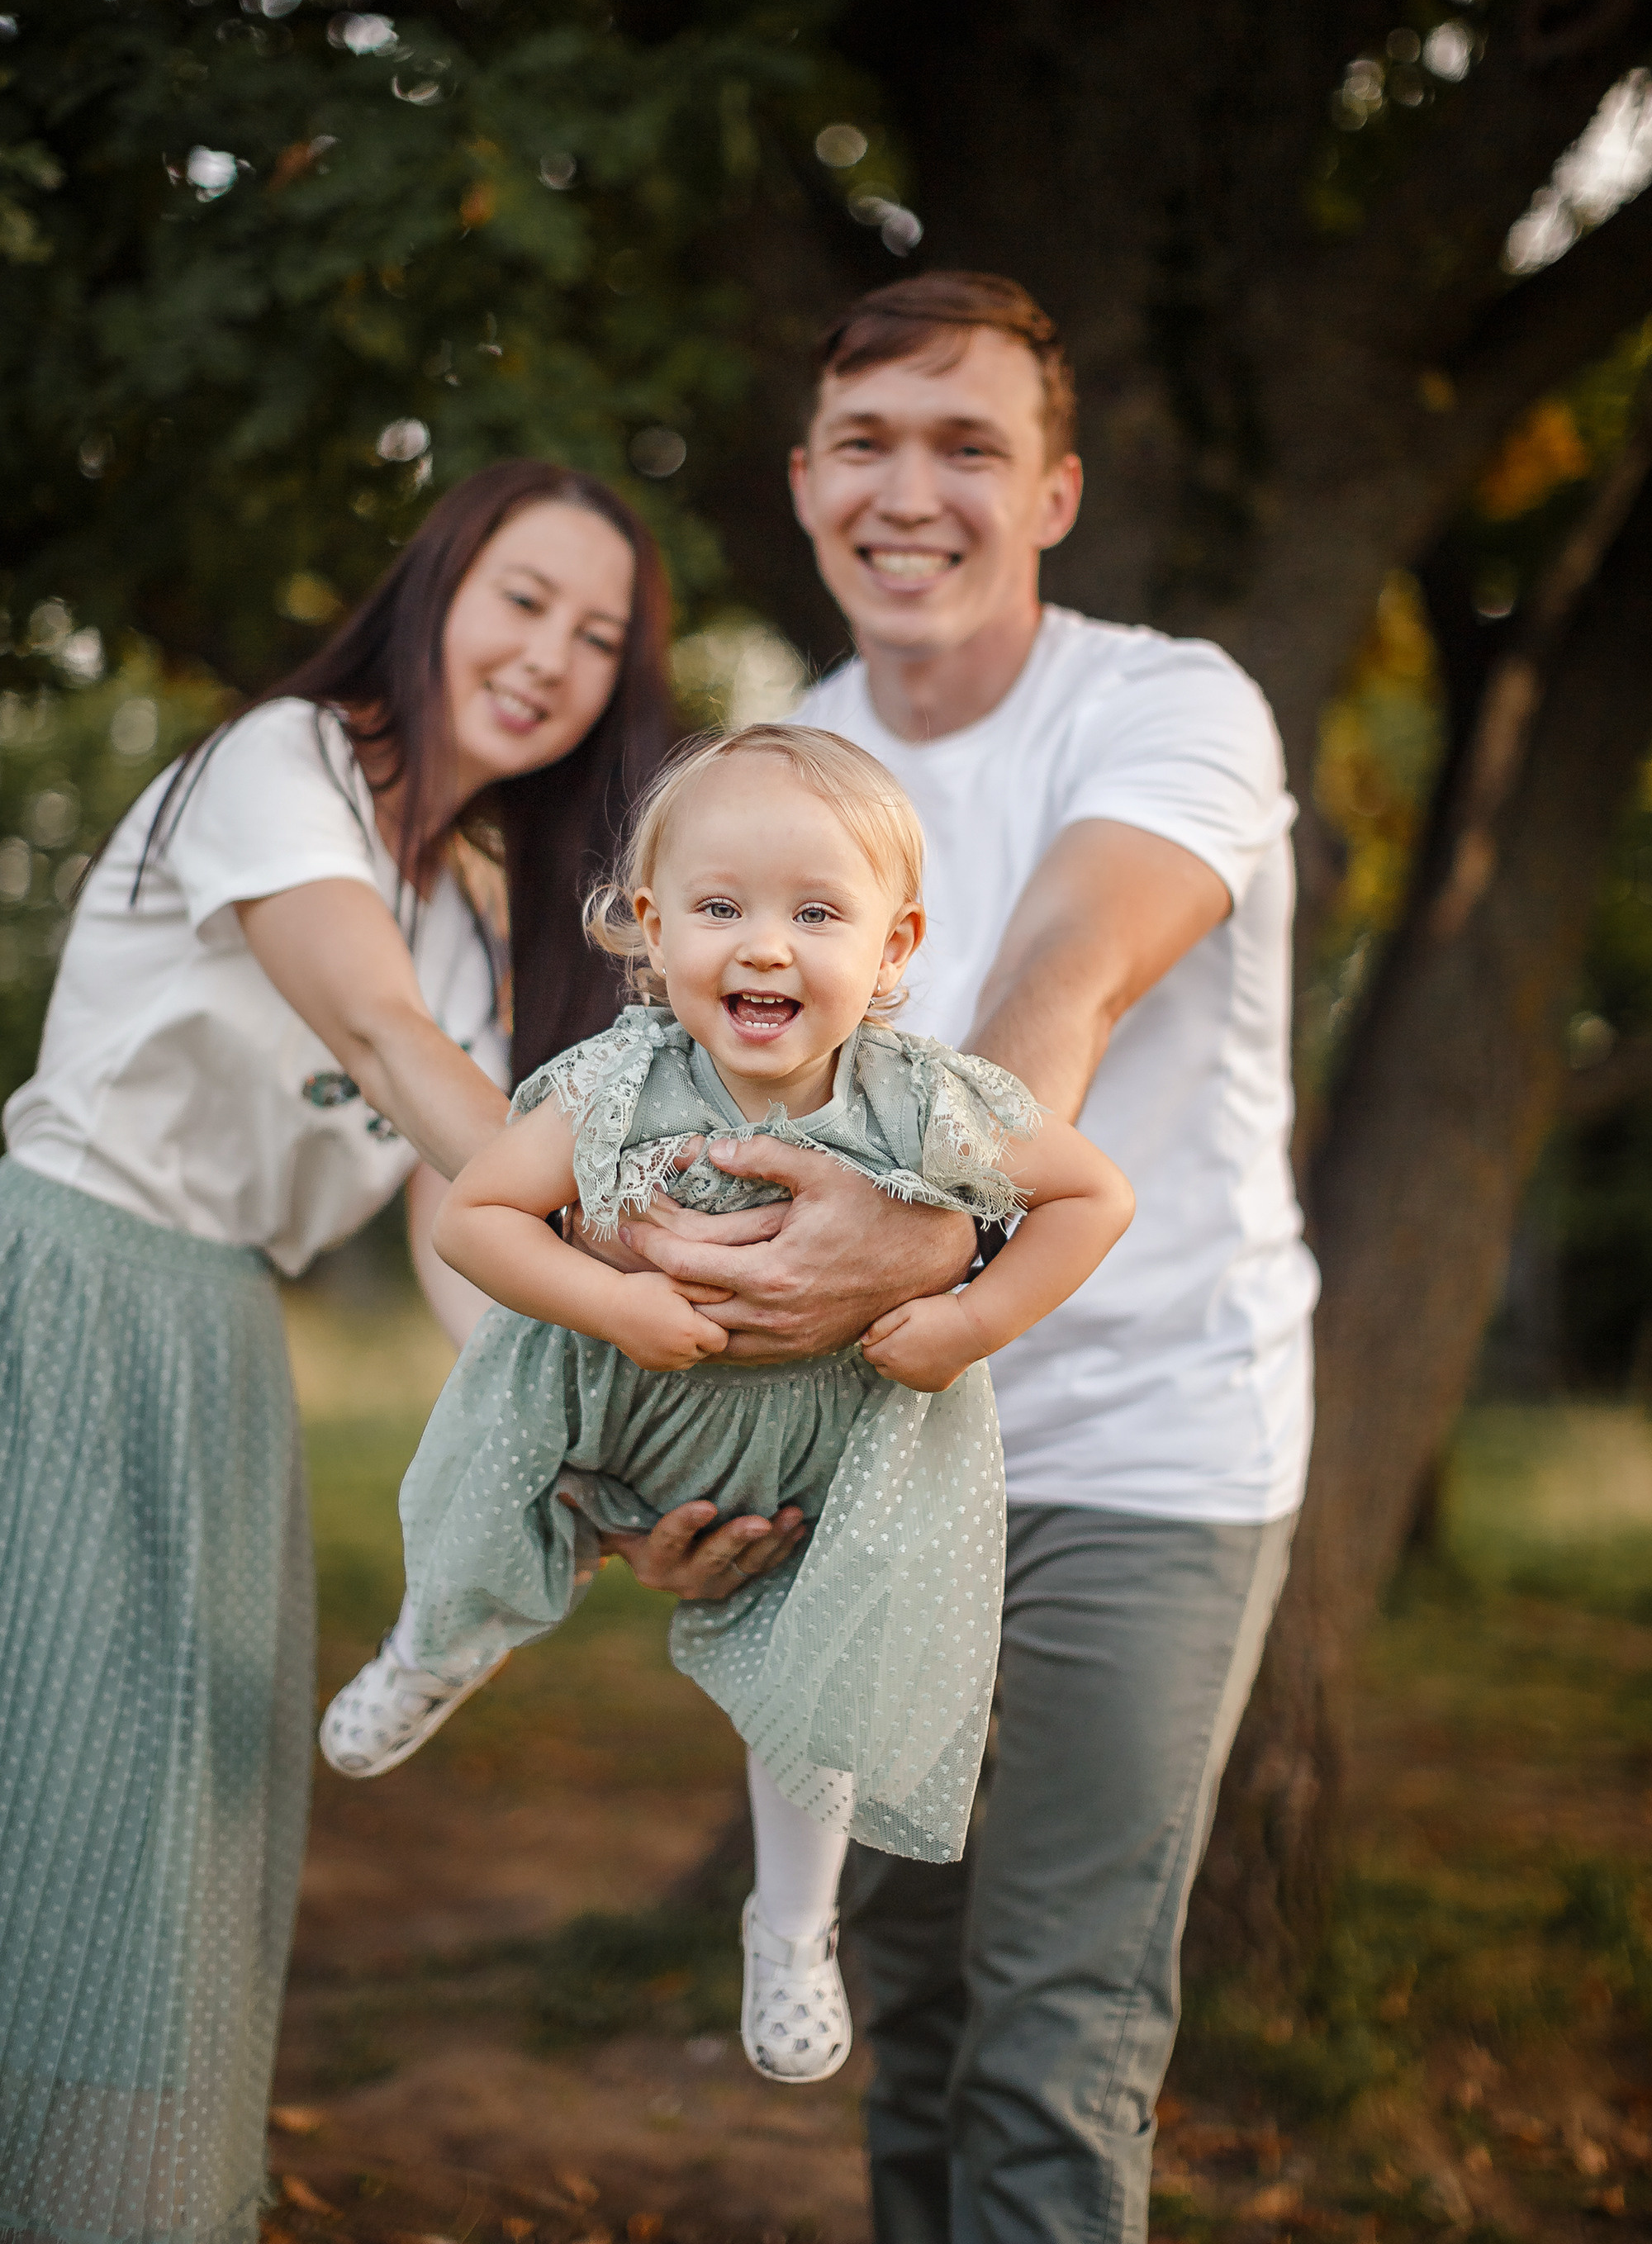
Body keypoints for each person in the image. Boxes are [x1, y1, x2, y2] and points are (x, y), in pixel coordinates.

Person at [597, 274, 1319, 2244]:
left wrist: (930, 1226)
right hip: (871, 1462)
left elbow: (1066, 971)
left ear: (1054, 495)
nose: (909, 493)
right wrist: (651, 1485)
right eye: (866, 444)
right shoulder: (777, 774)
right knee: (902, 2003)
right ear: (803, 482)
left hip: (1143, 1449)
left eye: (967, 447)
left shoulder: (1168, 706)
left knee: (1054, 2031)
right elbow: (668, 1129)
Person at [0, 458, 710, 2244]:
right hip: (62, 1289)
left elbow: (462, 1243)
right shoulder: (283, 764)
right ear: (436, 589)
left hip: (224, 1350)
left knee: (173, 1844)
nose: (548, 656)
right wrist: (612, 1262)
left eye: (597, 638)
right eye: (522, 599)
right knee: (49, 1795)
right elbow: (384, 1041)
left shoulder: (471, 923)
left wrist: (606, 1466)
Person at [316, 723, 1133, 2087]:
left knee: (818, 1696)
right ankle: (436, 1643)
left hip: (820, 1471)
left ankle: (794, 1930)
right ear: (652, 928)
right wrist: (613, 1304)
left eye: (816, 914)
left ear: (894, 945)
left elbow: (1092, 1194)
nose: (765, 947)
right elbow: (476, 1220)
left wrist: (972, 1321)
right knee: (488, 1511)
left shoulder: (920, 1100)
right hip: (607, 1410)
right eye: (720, 908)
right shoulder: (617, 1082)